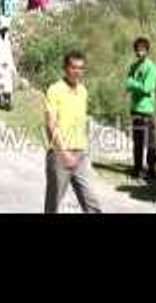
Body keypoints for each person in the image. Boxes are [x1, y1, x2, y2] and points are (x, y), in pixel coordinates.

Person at [44, 51, 102, 213]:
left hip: (80, 155)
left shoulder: (83, 91)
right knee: (53, 204)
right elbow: (50, 125)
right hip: (59, 154)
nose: (77, 72)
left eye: (81, 68)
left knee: (91, 202)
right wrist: (63, 154)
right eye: (73, 67)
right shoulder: (54, 90)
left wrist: (83, 150)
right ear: (65, 68)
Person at [125, 37, 156, 180]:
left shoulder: (151, 67)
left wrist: (134, 84)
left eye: (142, 49)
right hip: (135, 108)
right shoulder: (134, 66)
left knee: (150, 142)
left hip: (147, 109)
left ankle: (151, 170)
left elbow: (147, 88)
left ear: (147, 50)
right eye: (137, 49)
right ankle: (137, 168)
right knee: (137, 141)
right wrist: (134, 84)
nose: (139, 52)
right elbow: (127, 84)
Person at [0, 23, 16, 110]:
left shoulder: (7, 40)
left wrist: (10, 64)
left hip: (7, 65)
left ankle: (7, 100)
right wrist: (0, 62)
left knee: (7, 83)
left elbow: (9, 53)